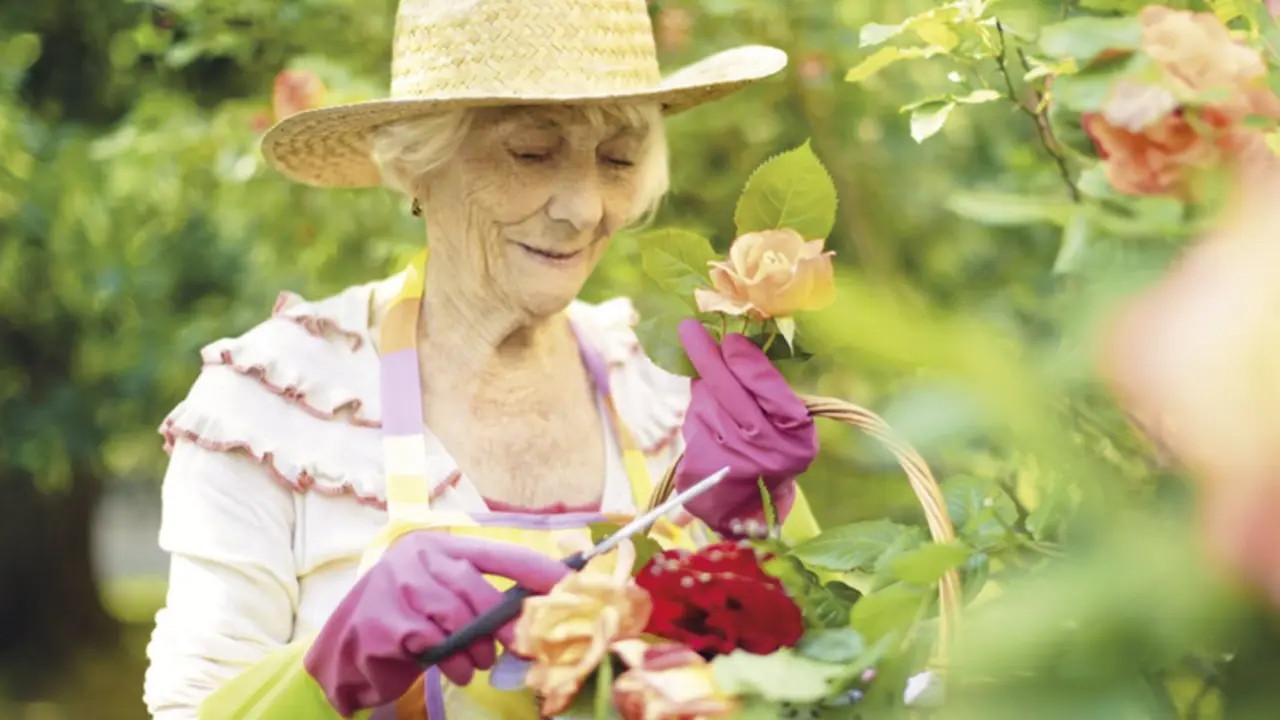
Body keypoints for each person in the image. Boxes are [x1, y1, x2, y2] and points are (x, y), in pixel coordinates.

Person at [141, 0, 822, 718]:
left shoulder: (660, 397)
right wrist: (324, 675)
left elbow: (825, 680)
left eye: (617, 158)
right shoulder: (275, 402)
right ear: (419, 164)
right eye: (531, 152)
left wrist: (761, 534)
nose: (585, 209)